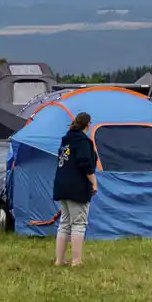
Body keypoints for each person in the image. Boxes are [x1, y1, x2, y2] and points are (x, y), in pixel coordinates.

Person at [52, 112, 99, 267]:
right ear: (88, 124)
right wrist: (94, 183)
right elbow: (85, 163)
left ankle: (59, 260)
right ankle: (76, 261)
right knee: (78, 223)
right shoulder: (83, 142)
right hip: (76, 187)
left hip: (62, 185)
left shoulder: (66, 141)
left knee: (64, 223)